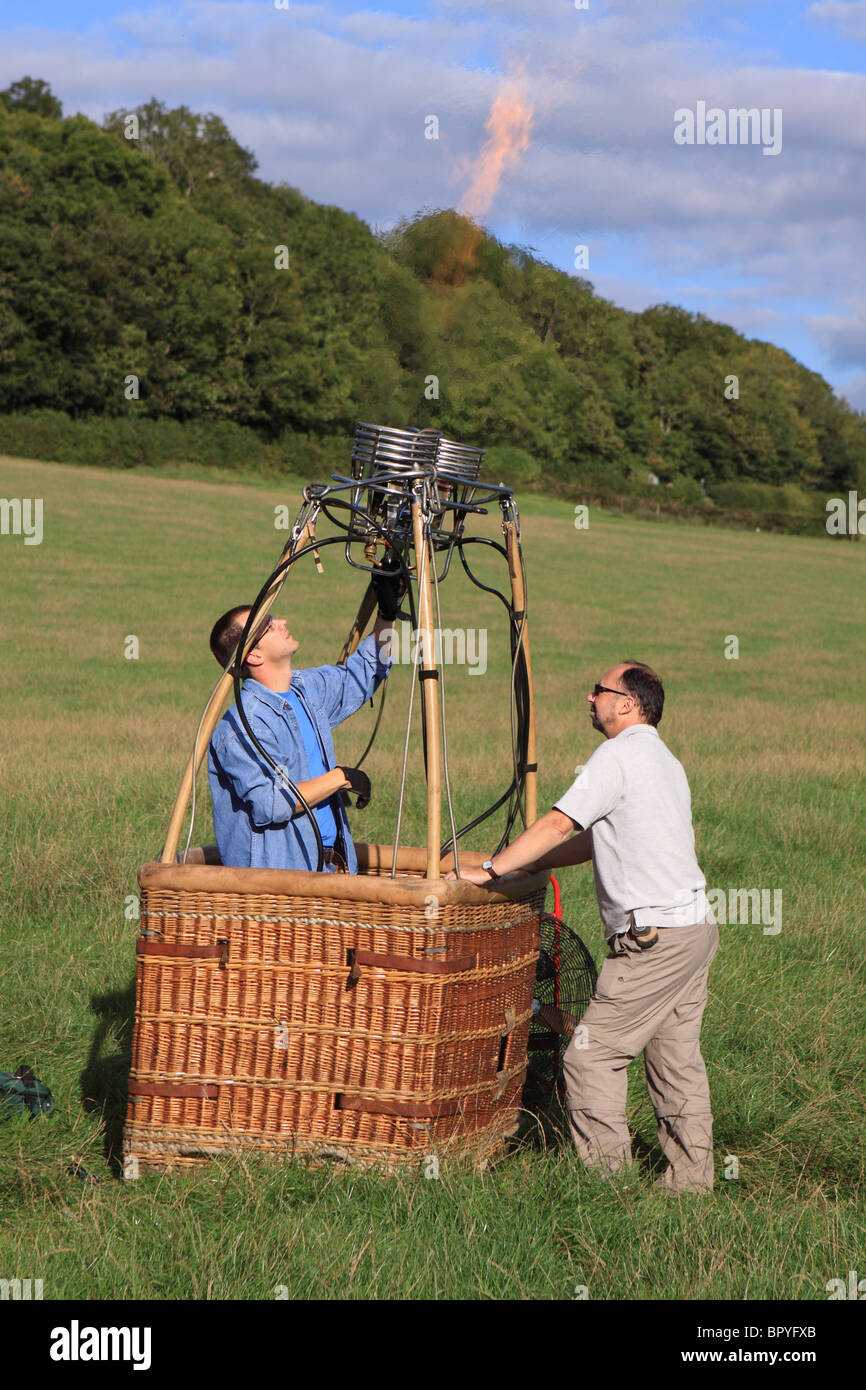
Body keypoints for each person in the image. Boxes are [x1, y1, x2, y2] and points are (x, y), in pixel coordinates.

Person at [449, 661, 719, 1193]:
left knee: (589, 1057)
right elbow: (597, 839)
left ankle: (608, 1186)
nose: (588, 697)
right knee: (676, 1062)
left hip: (654, 941)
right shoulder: (664, 760)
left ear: (626, 703)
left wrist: (490, 871)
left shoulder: (617, 756)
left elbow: (558, 823)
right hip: (694, 931)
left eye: (598, 690)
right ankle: (690, 1184)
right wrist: (529, 864)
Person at [207, 560, 403, 873]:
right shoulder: (243, 727)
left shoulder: (305, 689)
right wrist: (341, 777)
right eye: (268, 625)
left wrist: (387, 614)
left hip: (332, 867)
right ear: (253, 655)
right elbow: (272, 803)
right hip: (282, 881)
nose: (281, 622)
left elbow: (364, 672)